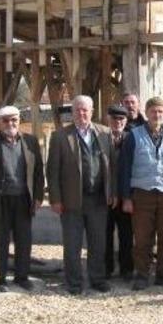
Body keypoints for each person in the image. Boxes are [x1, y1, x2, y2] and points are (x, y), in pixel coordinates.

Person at [0, 105, 45, 292]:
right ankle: (0, 278)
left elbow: (38, 172)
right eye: (5, 120)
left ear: (19, 121)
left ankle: (22, 277)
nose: (10, 123)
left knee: (24, 240)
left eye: (14, 120)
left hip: (23, 199)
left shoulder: (30, 141)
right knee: (1, 240)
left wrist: (38, 196)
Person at [47, 95, 114, 294]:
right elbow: (52, 171)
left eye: (85, 110)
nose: (81, 113)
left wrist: (113, 192)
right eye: (77, 110)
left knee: (98, 243)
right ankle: (74, 282)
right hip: (71, 200)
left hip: (98, 199)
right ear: (72, 112)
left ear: (92, 112)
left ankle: (97, 279)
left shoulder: (105, 133)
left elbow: (113, 166)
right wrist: (55, 199)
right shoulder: (60, 136)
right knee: (72, 244)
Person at [118, 97, 163, 290]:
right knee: (142, 238)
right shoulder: (134, 136)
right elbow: (125, 167)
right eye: (153, 111)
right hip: (142, 194)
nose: (157, 115)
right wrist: (126, 198)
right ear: (146, 113)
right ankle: (142, 274)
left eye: (160, 112)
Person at [104, 104, 133, 280]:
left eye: (121, 119)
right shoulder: (100, 137)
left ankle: (126, 269)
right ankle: (106, 268)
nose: (118, 122)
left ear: (126, 121)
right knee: (105, 234)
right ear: (108, 119)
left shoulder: (131, 138)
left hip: (126, 194)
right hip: (106, 194)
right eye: (114, 119)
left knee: (126, 234)